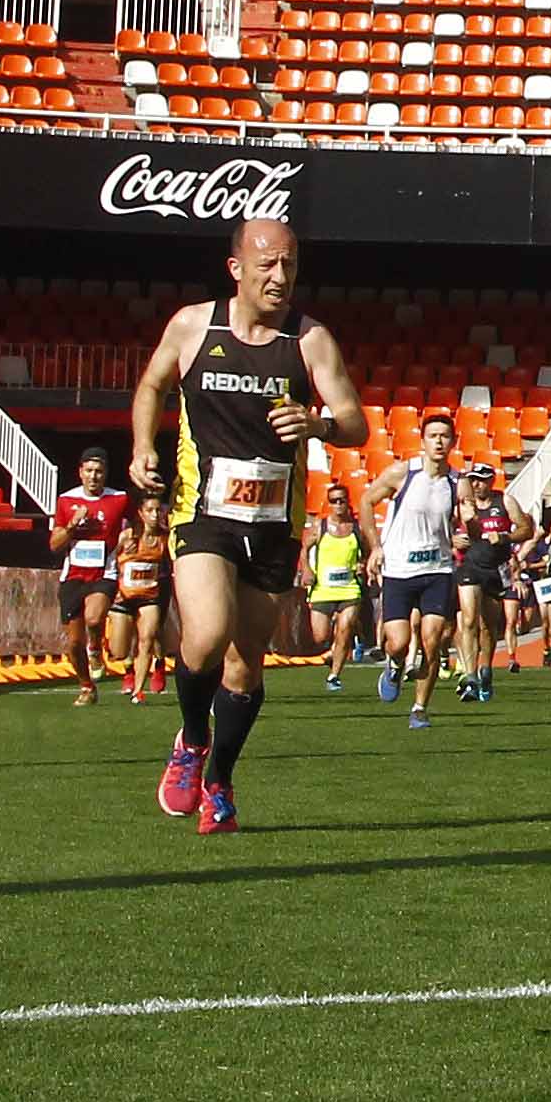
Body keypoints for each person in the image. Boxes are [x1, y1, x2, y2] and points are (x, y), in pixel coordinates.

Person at [127, 217, 367, 835]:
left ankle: (220, 781)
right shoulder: (193, 326)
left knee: (245, 665)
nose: (280, 277)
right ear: (236, 269)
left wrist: (317, 425)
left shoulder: (310, 339)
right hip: (203, 512)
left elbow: (354, 423)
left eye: (289, 264)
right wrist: (142, 447)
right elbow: (152, 385)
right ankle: (191, 739)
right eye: (267, 265)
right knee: (207, 635)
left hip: (273, 523)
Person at [368, 414, 466, 727]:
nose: (439, 442)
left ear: (453, 442)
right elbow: (367, 501)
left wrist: (467, 529)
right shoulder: (403, 473)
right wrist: (375, 546)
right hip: (399, 569)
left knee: (432, 641)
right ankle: (395, 665)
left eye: (444, 436)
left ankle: (420, 708)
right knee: (398, 642)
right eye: (433, 436)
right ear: (423, 441)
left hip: (438, 570)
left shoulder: (457, 481)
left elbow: (468, 521)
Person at [47, 450, 132, 706]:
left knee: (94, 619)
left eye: (99, 471)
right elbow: (55, 545)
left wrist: (130, 538)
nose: (94, 476)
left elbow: (139, 521)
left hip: (104, 573)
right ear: (80, 472)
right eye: (89, 471)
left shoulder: (119, 499)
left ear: (105, 474)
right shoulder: (66, 500)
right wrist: (72, 525)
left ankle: (95, 646)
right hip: (73, 576)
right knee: (74, 644)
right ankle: (87, 686)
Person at [298, 459, 370, 697]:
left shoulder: (356, 529)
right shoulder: (320, 527)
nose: (338, 505)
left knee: (344, 628)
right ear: (328, 504)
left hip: (349, 588)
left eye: (342, 500)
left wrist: (363, 565)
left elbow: (368, 551)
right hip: (323, 588)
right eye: (334, 501)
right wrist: (307, 570)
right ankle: (344, 644)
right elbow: (304, 549)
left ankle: (334, 676)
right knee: (320, 637)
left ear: (348, 503)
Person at [450, 462, 514, 705]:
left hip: (495, 569)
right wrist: (453, 539)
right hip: (469, 566)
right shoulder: (461, 506)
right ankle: (470, 676)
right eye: (473, 480)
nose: (476, 484)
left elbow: (526, 529)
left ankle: (485, 670)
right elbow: (440, 529)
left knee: (488, 625)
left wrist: (505, 537)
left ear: (491, 481)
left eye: (482, 479)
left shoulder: (504, 502)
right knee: (468, 620)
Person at [109, 483, 172, 706]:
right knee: (119, 650)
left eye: (158, 510)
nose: (155, 515)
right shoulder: (127, 537)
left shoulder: (165, 538)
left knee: (147, 639)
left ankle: (138, 690)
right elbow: (109, 561)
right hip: (124, 597)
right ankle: (127, 668)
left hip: (149, 596)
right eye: (150, 511)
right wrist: (110, 588)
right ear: (141, 513)